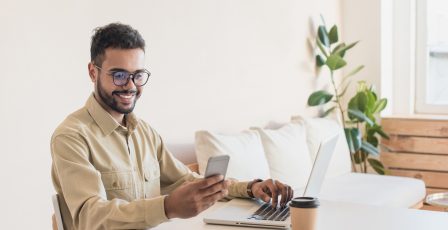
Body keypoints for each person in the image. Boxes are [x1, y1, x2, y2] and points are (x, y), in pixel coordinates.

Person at [51, 23, 293, 230]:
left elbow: (188, 181)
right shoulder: (71, 137)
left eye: (138, 75)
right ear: (93, 72)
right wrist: (167, 207)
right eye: (119, 75)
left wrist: (252, 188)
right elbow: (90, 217)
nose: (131, 86)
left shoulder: (144, 133)